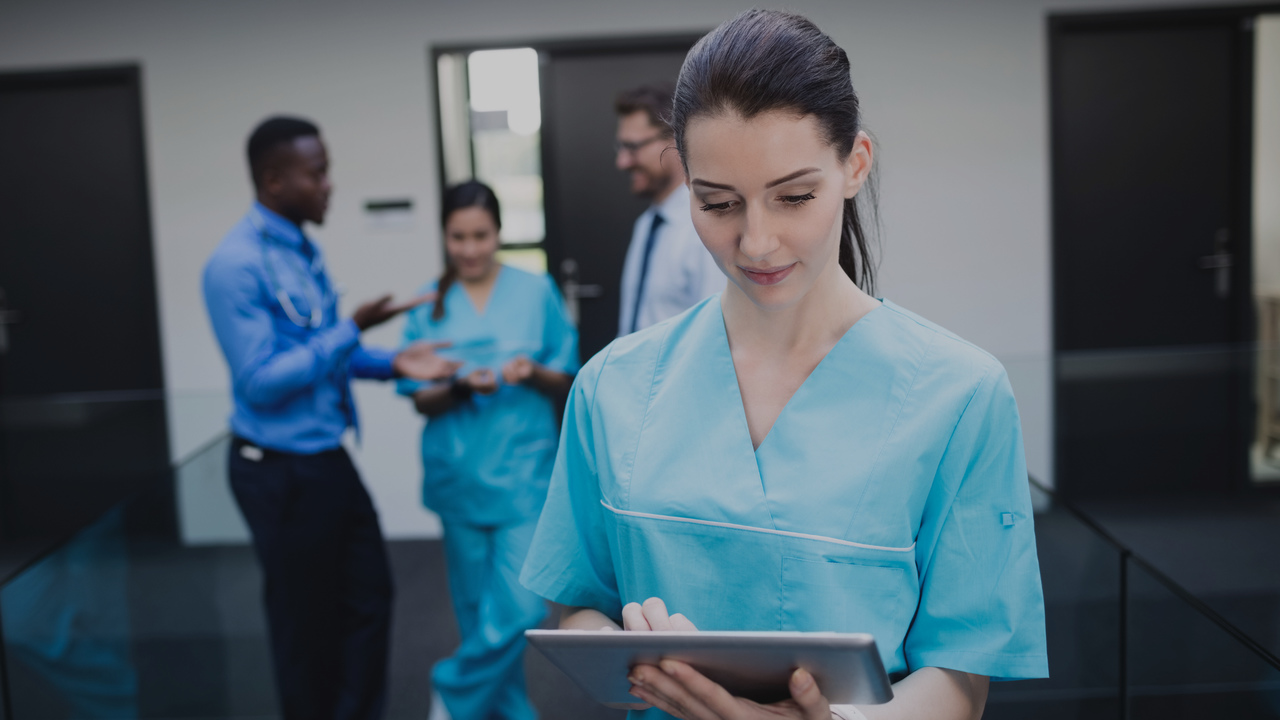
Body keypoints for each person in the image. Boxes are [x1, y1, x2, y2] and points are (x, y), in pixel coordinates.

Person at [520, 11, 1048, 720]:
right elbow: (576, 603)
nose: (757, 242)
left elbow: (961, 677)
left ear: (854, 165)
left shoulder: (960, 396)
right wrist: (644, 662)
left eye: (794, 196)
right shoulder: (612, 387)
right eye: (718, 203)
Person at [203, 116, 461, 720]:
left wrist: (395, 361)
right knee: (305, 627)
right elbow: (263, 382)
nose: (329, 185)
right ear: (272, 180)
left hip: (324, 459)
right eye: (316, 173)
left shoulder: (297, 247)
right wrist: (354, 329)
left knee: (369, 599)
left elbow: (319, 358)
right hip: (278, 471)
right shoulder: (235, 266)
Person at [398, 180, 579, 720]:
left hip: (523, 476)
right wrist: (456, 387)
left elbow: (565, 377)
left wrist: (531, 371)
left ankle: (452, 687)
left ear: (499, 233)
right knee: (478, 615)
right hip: (458, 478)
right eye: (458, 237)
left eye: (481, 235)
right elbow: (419, 399)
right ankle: (510, 712)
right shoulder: (429, 306)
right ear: (444, 236)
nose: (470, 248)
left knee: (521, 606)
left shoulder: (535, 291)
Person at [615, 82, 724, 336]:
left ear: (675, 141)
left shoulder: (706, 227)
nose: (622, 162)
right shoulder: (647, 224)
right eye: (620, 148)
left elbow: (715, 332)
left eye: (632, 148)